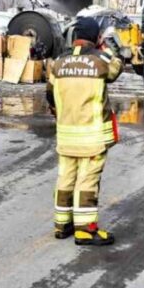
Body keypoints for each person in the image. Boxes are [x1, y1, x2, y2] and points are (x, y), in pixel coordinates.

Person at [46, 17, 123, 245]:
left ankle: (62, 225)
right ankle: (85, 230)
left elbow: (50, 95)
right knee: (87, 180)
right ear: (97, 37)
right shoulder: (101, 60)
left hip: (66, 132)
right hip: (91, 135)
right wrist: (105, 48)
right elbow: (117, 68)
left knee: (65, 177)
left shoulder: (59, 62)